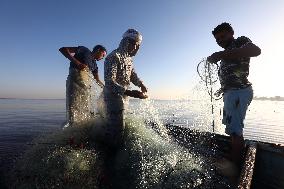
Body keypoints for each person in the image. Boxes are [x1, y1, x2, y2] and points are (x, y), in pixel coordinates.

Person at [207, 23, 261, 173]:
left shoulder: (240, 42)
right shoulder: (227, 53)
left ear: (232, 33)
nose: (220, 41)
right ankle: (233, 154)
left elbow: (256, 51)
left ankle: (235, 164)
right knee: (231, 128)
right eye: (217, 39)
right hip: (231, 93)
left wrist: (220, 55)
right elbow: (233, 75)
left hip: (240, 92)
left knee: (236, 130)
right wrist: (222, 89)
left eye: (223, 36)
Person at [103, 29, 148, 147]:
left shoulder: (129, 59)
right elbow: (109, 82)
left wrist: (140, 84)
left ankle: (116, 146)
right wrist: (130, 92)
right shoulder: (113, 57)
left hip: (124, 96)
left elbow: (132, 75)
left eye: (138, 45)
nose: (137, 48)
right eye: (134, 44)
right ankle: (111, 153)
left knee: (120, 125)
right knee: (115, 127)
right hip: (112, 97)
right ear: (125, 42)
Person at [59, 45, 107, 125]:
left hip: (85, 88)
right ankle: (72, 130)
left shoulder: (95, 66)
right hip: (74, 83)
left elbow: (97, 80)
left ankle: (81, 129)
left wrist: (106, 88)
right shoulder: (84, 50)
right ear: (98, 50)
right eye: (103, 55)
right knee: (73, 108)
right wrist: (77, 63)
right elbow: (63, 49)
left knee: (84, 109)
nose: (102, 58)